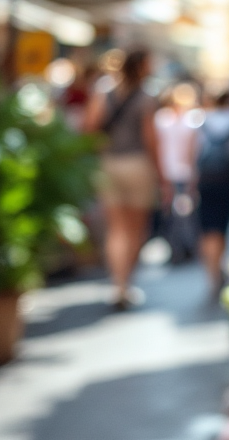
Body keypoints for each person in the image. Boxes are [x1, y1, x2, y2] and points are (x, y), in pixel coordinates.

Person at [84, 50, 165, 310]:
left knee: (116, 229)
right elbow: (150, 138)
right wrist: (161, 174)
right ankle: (127, 283)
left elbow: (90, 127)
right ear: (141, 65)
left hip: (109, 163)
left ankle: (118, 285)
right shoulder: (146, 96)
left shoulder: (104, 91)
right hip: (137, 164)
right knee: (135, 229)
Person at [195, 87, 229, 294]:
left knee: (208, 227)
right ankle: (218, 267)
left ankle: (212, 272)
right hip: (227, 180)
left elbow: (191, 154)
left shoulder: (200, 121)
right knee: (222, 226)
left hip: (205, 181)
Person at [154, 84, 201, 264]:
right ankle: (181, 247)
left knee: (176, 212)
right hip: (177, 172)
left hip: (173, 171)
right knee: (180, 212)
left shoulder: (164, 119)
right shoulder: (186, 120)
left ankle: (180, 248)